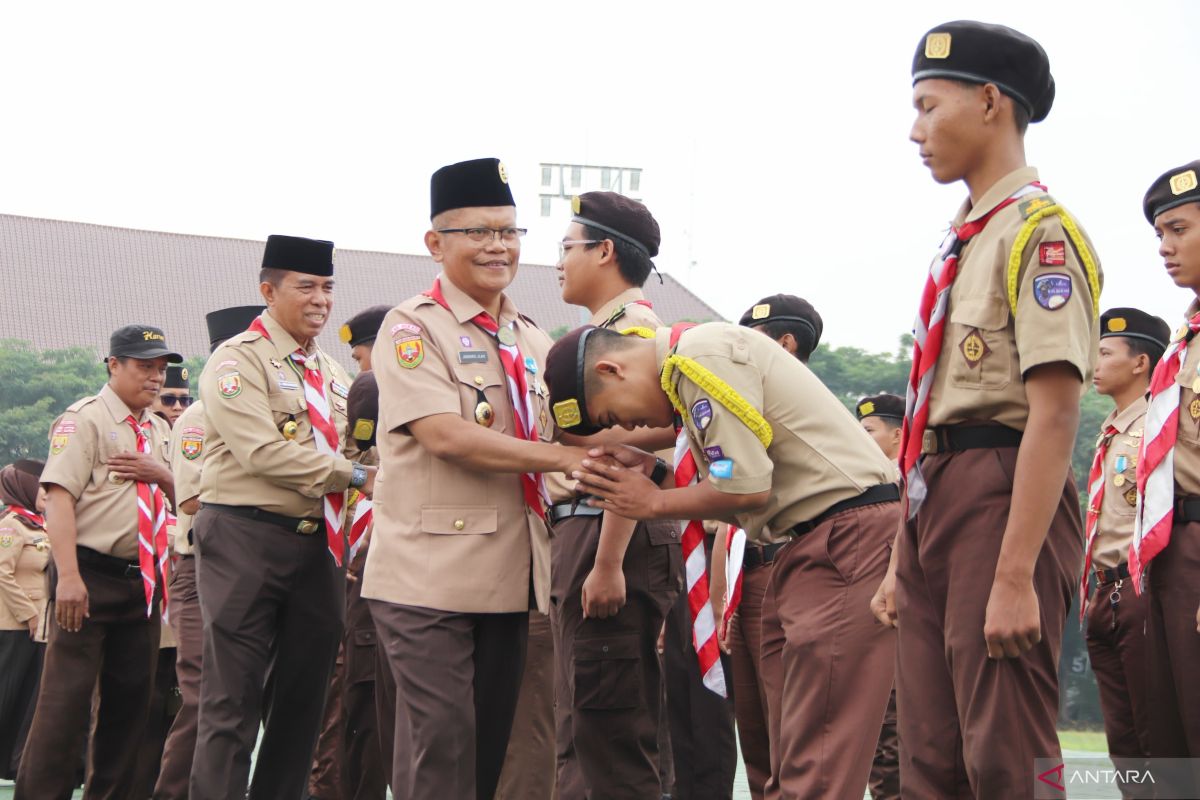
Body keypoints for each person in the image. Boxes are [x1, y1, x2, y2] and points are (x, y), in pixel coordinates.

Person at [871, 21, 1102, 798]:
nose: (916, 130)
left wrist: (1015, 577)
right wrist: (904, 557)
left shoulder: (1039, 238)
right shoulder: (964, 242)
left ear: (991, 103)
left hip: (1001, 494)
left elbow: (1057, 414)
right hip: (937, 494)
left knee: (1006, 756)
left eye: (929, 105)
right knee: (928, 760)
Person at [547, 320, 899, 799]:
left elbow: (747, 488)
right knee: (786, 757)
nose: (630, 428)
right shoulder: (690, 365)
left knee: (818, 761)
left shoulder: (698, 356)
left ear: (612, 369)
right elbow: (738, 479)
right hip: (811, 540)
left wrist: (650, 503)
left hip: (843, 536)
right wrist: (658, 475)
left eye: (617, 415)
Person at [361, 157, 591, 799]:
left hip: (511, 576)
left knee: (489, 752)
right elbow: (445, 435)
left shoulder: (530, 337)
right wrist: (565, 460)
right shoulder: (412, 328)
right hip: (426, 576)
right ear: (435, 244)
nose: (498, 246)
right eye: (478, 232)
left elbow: (577, 432)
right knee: (441, 747)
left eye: (510, 232)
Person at [190, 236, 373, 800]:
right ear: (268, 291)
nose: (320, 300)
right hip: (245, 536)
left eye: (327, 288)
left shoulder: (332, 371)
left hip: (317, 543)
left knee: (304, 698)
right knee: (232, 697)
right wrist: (359, 477)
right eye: (307, 287)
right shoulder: (237, 359)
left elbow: (360, 448)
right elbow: (262, 453)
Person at [549, 190, 683, 799]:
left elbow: (636, 457)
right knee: (587, 725)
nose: (558, 261)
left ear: (604, 251)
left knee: (609, 731)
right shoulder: (602, 335)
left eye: (567, 247)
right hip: (594, 529)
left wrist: (605, 563)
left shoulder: (633, 338)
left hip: (611, 535)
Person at [17, 325, 179, 799]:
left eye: (160, 369)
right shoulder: (83, 419)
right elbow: (59, 500)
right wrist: (67, 576)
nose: (154, 378)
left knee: (131, 710)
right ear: (113, 365)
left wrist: (163, 473)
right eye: (143, 366)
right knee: (63, 708)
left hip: (143, 581)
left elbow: (182, 498)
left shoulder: (157, 428)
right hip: (87, 575)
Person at [153, 304, 263, 800]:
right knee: (203, 697)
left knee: (242, 699)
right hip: (201, 565)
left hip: (252, 567)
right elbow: (191, 497)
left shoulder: (267, 411)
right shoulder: (198, 416)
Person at [722, 294, 823, 800]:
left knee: (791, 733)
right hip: (746, 579)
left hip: (789, 575)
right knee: (756, 738)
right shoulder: (746, 408)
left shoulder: (804, 415)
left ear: (786, 344)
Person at [1132, 161, 1200, 795]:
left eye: (1177, 229)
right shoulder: (1187, 332)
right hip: (1171, 549)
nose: (1164, 248)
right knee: (1173, 738)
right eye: (1159, 234)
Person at [309, 303, 393, 800]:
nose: (360, 361)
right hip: (389, 545)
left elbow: (358, 461)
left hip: (373, 549)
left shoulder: (372, 384)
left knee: (359, 690)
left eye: (361, 350)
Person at [1082, 308, 1168, 784]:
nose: (1094, 363)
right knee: (1125, 745)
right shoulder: (1111, 430)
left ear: (1140, 363)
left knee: (1157, 737)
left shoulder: (1160, 425)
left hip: (1140, 592)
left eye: (1105, 353)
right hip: (1102, 593)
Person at [137, 362, 191, 794]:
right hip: (147, 585)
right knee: (143, 698)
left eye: (183, 400)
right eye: (168, 398)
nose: (175, 407)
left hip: (186, 585)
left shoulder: (192, 436)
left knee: (180, 696)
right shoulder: (142, 438)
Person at [854, 394, 904, 800]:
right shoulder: (860, 486)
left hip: (900, 625)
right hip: (863, 625)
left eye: (868, 430)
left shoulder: (914, 486)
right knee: (872, 735)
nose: (858, 436)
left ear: (899, 436)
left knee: (893, 736)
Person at [0, 460, 49, 780]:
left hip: (40, 627)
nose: (45, 493)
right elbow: (2, 573)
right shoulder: (11, 525)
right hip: (15, 625)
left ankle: (16, 762)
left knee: (30, 698)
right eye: (40, 486)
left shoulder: (40, 524)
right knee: (7, 693)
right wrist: (29, 615)